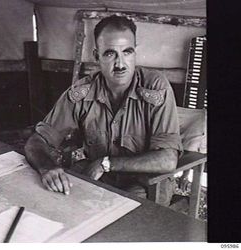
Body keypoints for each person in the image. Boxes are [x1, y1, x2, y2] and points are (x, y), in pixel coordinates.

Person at [24, 15, 183, 206]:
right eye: (110, 53)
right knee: (56, 207)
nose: (120, 64)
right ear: (96, 55)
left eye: (127, 52)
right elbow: (37, 140)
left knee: (121, 223)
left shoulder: (155, 87)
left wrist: (105, 163)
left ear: (135, 53)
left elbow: (167, 160)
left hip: (145, 184)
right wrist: (47, 167)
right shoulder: (82, 93)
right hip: (98, 180)